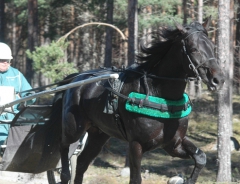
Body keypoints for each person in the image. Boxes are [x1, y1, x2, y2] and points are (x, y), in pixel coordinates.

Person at [0, 42, 35, 146]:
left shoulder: (16, 74)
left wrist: (27, 98)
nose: (5, 62)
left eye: (8, 60)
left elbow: (30, 94)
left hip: (14, 117)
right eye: (2, 60)